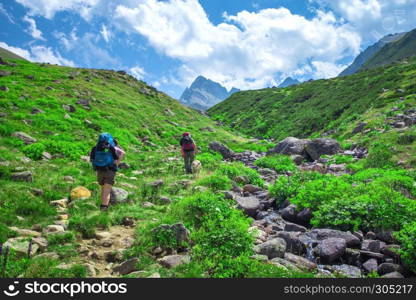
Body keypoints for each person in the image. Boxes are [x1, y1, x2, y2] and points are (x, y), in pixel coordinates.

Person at [90, 133, 119, 211]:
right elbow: (116, 159)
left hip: (99, 171)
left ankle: (102, 206)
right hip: (109, 171)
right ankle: (103, 210)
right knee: (107, 191)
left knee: (103, 189)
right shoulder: (111, 148)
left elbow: (92, 160)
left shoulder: (95, 148)